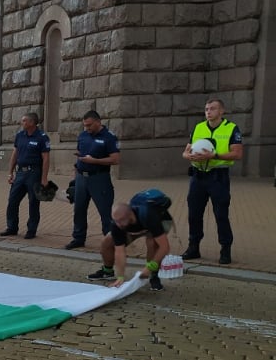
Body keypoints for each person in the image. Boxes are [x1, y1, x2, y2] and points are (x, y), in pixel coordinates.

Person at [181, 98, 242, 265]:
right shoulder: (199, 127)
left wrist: (213, 156)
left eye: (212, 109)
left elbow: (237, 154)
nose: (208, 111)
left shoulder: (231, 128)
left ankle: (225, 249)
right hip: (197, 177)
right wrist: (189, 156)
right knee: (194, 214)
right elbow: (185, 152)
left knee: (221, 214)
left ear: (221, 111)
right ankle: (193, 247)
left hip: (218, 178)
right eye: (206, 109)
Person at [87, 190, 173, 292]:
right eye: (116, 221)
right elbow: (120, 251)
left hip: (159, 221)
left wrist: (149, 267)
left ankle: (153, 276)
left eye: (120, 220)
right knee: (108, 241)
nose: (118, 224)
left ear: (130, 215)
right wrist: (120, 277)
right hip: (135, 227)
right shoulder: (117, 223)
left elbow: (164, 247)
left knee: (152, 243)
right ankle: (107, 271)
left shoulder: (148, 215)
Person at [66, 110, 120, 249]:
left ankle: (111, 241)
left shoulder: (109, 137)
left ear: (98, 122)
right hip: (81, 178)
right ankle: (78, 238)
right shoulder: (83, 135)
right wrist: (75, 179)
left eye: (89, 125)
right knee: (79, 210)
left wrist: (94, 161)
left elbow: (115, 159)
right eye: (85, 125)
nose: (87, 128)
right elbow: (79, 155)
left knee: (105, 212)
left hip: (99, 178)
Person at [0, 112, 51, 239]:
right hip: (20, 173)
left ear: (32, 123)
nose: (21, 123)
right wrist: (10, 172)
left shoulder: (42, 137)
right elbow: (15, 154)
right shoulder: (20, 135)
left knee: (33, 202)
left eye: (24, 121)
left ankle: (31, 230)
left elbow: (46, 159)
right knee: (12, 200)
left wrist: (44, 178)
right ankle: (12, 227)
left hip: (34, 173)